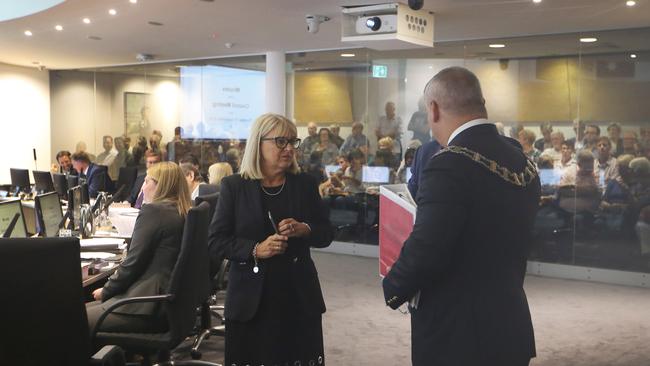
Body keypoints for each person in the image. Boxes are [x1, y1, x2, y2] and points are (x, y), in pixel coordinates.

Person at [382, 67, 540, 366]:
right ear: (482, 103)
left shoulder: (448, 164)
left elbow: (428, 248)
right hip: (510, 322)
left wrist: (393, 286)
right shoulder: (521, 159)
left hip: (458, 333)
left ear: (434, 109)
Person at [208, 113, 333, 366]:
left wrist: (305, 229)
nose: (289, 149)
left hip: (298, 296)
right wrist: (256, 249)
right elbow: (216, 241)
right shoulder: (234, 186)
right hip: (250, 301)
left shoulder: (305, 184)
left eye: (292, 142)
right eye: (280, 142)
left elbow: (327, 233)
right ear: (258, 143)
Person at [86, 162, 191, 335]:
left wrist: (107, 289)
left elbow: (132, 263)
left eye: (147, 181)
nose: (142, 187)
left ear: (160, 185)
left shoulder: (154, 212)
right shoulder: (181, 210)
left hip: (145, 306)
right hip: (169, 305)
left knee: (72, 319)